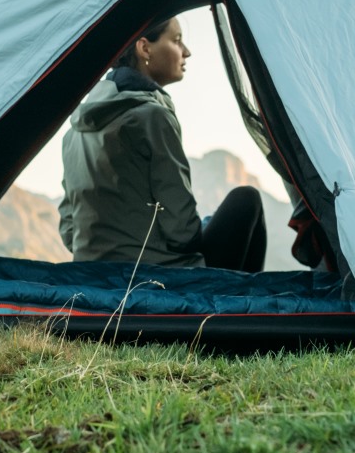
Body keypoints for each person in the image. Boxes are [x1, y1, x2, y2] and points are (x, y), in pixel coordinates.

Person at [58, 16, 266, 272]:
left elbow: (69, 231)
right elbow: (182, 233)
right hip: (158, 275)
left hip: (92, 273)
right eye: (177, 40)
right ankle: (248, 306)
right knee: (246, 200)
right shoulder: (152, 117)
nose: (187, 52)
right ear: (145, 48)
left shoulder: (73, 133)